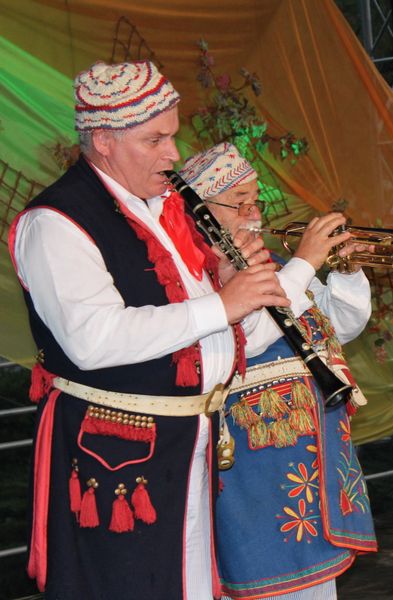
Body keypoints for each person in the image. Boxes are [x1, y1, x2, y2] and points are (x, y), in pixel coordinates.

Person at [10, 61, 293, 599]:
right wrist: (222, 304)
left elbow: (205, 326)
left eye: (173, 136)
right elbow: (93, 339)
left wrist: (231, 284)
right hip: (117, 454)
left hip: (189, 441)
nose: (173, 154)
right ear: (104, 141)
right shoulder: (55, 222)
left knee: (190, 586)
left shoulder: (166, 208)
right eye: (155, 139)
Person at [177, 143, 377, 599]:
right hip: (256, 461)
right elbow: (248, 335)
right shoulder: (199, 278)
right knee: (273, 582)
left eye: (256, 200)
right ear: (202, 212)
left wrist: (347, 273)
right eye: (239, 201)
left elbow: (337, 327)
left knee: (316, 585)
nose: (253, 212)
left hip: (314, 455)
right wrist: (305, 264)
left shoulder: (280, 267)